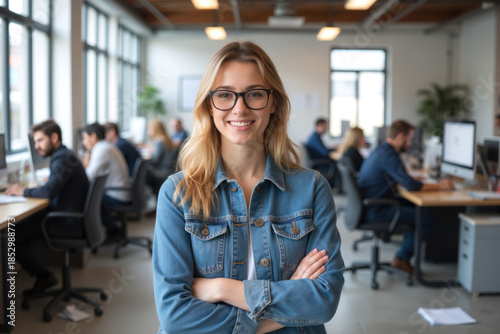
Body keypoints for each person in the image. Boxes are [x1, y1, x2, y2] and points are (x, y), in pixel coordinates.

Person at [153, 41, 344, 334]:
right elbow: (175, 316)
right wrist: (290, 296)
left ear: (273, 103)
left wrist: (221, 288)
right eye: (225, 95)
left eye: (254, 94)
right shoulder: (178, 193)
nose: (239, 108)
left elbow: (324, 301)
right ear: (209, 104)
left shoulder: (312, 188)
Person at [357, 119, 454, 274]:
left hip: (372, 204)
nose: (410, 143)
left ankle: (403, 257)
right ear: (400, 137)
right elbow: (411, 186)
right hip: (377, 209)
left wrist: (411, 180)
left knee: (417, 209)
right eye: (410, 139)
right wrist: (441, 185)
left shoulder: (381, 150)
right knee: (427, 220)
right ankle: (401, 259)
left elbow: (402, 179)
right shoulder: (389, 155)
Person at [5, 120, 89, 296]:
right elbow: (52, 187)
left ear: (54, 137)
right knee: (22, 225)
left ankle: (44, 276)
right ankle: (42, 274)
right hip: (72, 218)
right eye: (35, 142)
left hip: (66, 223)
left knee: (12, 235)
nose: (36, 146)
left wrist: (23, 190)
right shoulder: (66, 155)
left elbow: (48, 192)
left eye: (40, 140)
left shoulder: (62, 158)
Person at [82, 123, 130, 238]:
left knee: (87, 199)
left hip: (117, 194)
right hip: (120, 190)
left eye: (84, 138)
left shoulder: (100, 150)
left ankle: (110, 228)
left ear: (93, 136)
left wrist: (85, 164)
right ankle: (110, 228)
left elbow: (88, 177)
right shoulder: (107, 146)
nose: (84, 142)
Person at [145, 119, 178, 195]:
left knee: (144, 172)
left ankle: (149, 197)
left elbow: (154, 161)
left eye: (150, 129)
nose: (148, 131)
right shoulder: (167, 139)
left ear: (155, 130)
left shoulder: (159, 141)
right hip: (169, 170)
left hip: (161, 171)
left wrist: (146, 156)